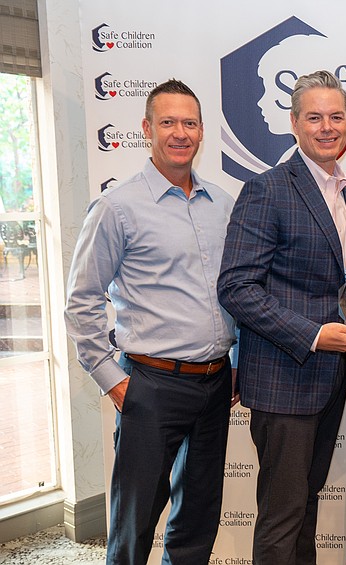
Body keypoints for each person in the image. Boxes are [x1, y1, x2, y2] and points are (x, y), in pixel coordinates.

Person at [65, 79, 236, 565]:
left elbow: (234, 294)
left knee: (199, 517)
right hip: (150, 385)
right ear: (146, 129)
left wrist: (237, 360)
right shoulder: (117, 207)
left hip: (215, 382)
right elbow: (82, 301)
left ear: (202, 131)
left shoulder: (223, 205)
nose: (179, 133)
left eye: (189, 123)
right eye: (167, 122)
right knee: (135, 523)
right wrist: (115, 383)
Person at [217, 70, 346, 565]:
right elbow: (236, 287)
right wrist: (311, 335)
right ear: (293, 123)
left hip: (333, 378)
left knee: (306, 506)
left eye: (337, 116)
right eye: (314, 117)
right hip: (285, 376)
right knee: (282, 516)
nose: (327, 127)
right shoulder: (267, 189)